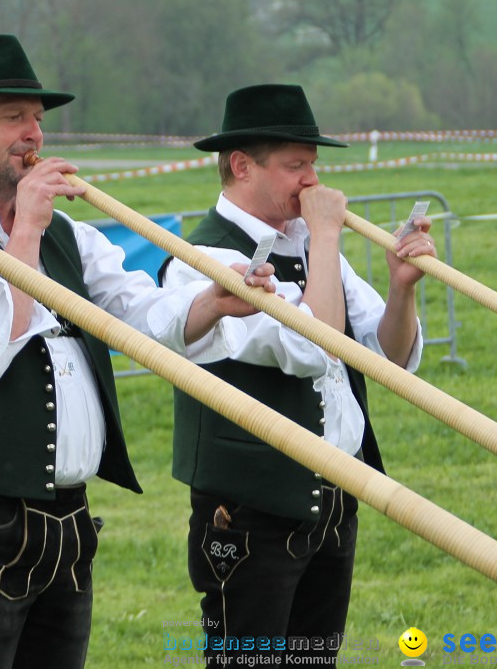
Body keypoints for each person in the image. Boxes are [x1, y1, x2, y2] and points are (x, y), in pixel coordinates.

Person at [0, 34, 276, 669]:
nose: (33, 135)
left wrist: (212, 302)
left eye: (37, 119)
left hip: (68, 523)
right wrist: (26, 230)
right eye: (13, 117)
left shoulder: (65, 231)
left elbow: (138, 310)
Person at [159, 84, 437, 666]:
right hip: (249, 512)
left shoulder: (311, 243)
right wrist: (330, 236)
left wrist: (401, 289)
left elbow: (389, 356)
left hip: (333, 497)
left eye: (313, 164)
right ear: (241, 166)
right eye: (295, 165)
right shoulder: (204, 256)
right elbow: (316, 346)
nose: (312, 181)